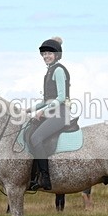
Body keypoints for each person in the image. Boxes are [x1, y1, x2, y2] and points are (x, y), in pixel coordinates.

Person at [28, 37, 71, 191]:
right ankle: (34, 175)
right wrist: (28, 110)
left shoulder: (58, 70)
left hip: (61, 113)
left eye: (49, 53)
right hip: (52, 112)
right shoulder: (49, 71)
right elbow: (46, 100)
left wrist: (43, 112)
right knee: (28, 133)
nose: (46, 56)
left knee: (36, 138)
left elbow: (60, 97)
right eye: (44, 53)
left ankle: (45, 178)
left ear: (57, 54)